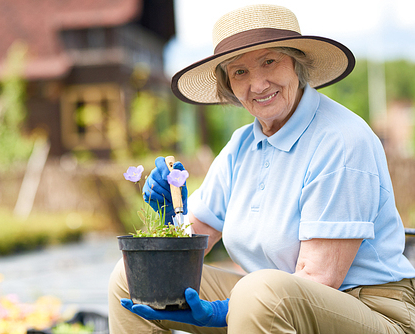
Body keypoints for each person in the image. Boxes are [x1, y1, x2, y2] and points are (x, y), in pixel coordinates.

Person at [108, 4, 415, 333]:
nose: (257, 84)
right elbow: (193, 242)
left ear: (296, 63)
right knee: (131, 278)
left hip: (369, 308)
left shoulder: (340, 140)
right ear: (228, 83)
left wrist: (226, 309)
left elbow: (319, 279)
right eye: (240, 72)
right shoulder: (241, 146)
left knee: (255, 292)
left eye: (269, 61)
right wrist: (171, 213)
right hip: (266, 302)